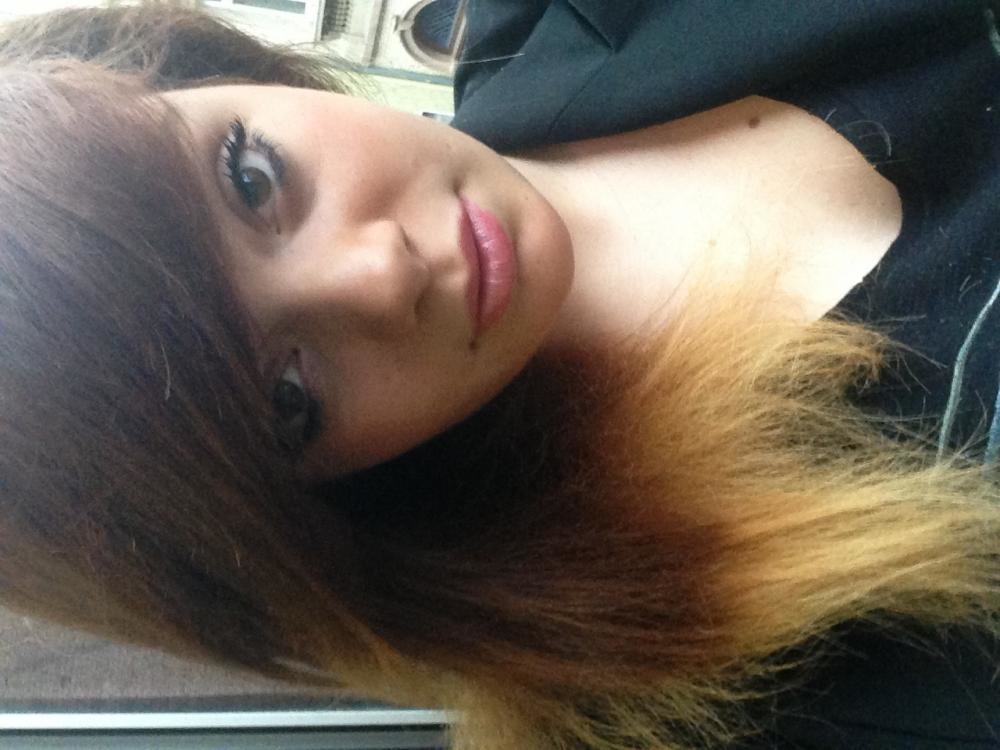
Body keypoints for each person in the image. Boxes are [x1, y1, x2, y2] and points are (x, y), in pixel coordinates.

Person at [0, 3, 996, 749]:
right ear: (323, 504)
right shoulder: (723, 689)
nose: (379, 274)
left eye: (250, 177)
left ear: (200, 73)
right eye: (288, 400)